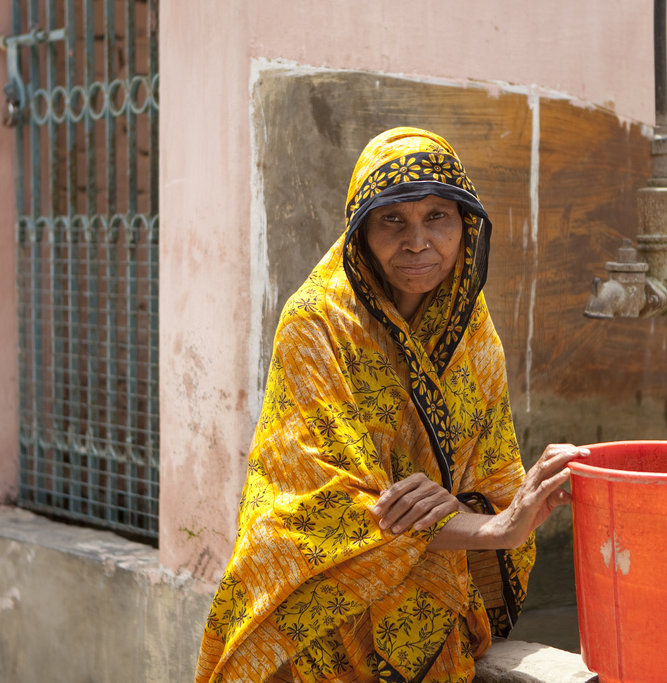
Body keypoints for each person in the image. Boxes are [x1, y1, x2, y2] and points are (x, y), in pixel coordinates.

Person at [195, 127, 588, 683]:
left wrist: (471, 509)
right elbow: (328, 508)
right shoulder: (316, 324)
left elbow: (497, 481)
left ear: (465, 224)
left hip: (430, 605)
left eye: (437, 217)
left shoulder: (473, 336)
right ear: (361, 231)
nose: (417, 242)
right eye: (392, 220)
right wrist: (489, 528)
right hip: (312, 611)